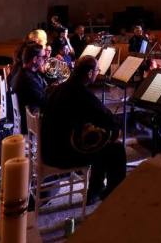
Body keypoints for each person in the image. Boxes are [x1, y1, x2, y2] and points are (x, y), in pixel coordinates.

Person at [41, 56, 126, 204]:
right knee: (116, 149)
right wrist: (116, 127)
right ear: (89, 73)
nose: (98, 73)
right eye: (97, 70)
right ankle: (114, 194)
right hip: (61, 155)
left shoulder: (61, 87)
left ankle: (95, 190)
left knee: (101, 145)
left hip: (48, 149)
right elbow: (107, 118)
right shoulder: (81, 93)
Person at [12, 42, 47, 134]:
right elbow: (44, 101)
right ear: (35, 59)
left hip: (31, 116)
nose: (45, 59)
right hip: (32, 123)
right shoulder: (28, 79)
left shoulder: (25, 73)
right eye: (43, 57)